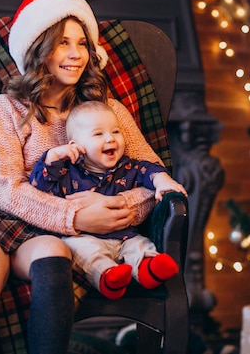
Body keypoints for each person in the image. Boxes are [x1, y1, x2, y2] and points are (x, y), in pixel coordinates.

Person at [0, 0, 167, 354]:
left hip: (45, 235)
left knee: (54, 256)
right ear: (39, 48)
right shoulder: (9, 107)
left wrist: (121, 210)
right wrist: (77, 216)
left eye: (83, 43)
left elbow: (151, 169)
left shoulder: (107, 110)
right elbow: (3, 186)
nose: (76, 53)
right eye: (63, 42)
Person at [29, 100, 187, 300]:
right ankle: (108, 276)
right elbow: (39, 187)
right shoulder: (67, 171)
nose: (111, 139)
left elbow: (150, 170)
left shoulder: (127, 167)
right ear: (75, 146)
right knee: (80, 250)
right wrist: (52, 156)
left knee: (140, 245)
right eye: (98, 134)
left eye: (116, 132)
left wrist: (162, 181)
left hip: (124, 236)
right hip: (85, 238)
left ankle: (149, 268)